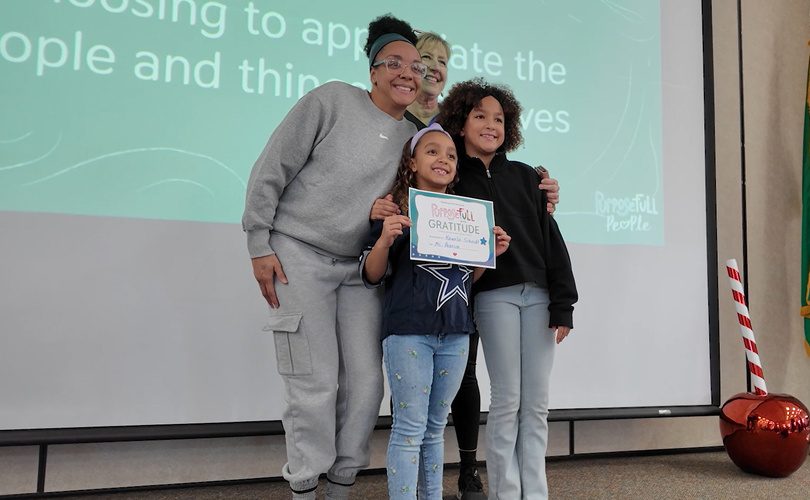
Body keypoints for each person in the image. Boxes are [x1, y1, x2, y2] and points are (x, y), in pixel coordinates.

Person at [241, 14, 427, 500]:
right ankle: (305, 484)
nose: (407, 73)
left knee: (366, 386)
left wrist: (537, 194)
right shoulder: (331, 100)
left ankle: (342, 483)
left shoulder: (414, 135)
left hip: (360, 271)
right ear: (373, 70)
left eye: (416, 65)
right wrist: (258, 242)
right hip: (296, 253)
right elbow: (272, 166)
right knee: (313, 381)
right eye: (394, 63)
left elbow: (441, 181)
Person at [436, 78, 578, 500]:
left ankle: (534, 493)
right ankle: (505, 492)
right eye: (480, 115)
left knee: (536, 403)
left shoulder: (526, 177)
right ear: (460, 124)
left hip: (538, 298)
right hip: (492, 296)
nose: (490, 124)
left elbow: (551, 241)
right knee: (507, 399)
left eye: (499, 118)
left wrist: (563, 304)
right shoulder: (453, 177)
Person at [360, 123, 510, 499]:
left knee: (433, 428)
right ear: (411, 163)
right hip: (408, 330)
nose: (442, 158)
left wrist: (489, 255)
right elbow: (372, 275)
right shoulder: (394, 211)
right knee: (409, 428)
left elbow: (466, 280)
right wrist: (383, 240)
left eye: (450, 155)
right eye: (431, 151)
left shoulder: (467, 217)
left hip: (457, 332)